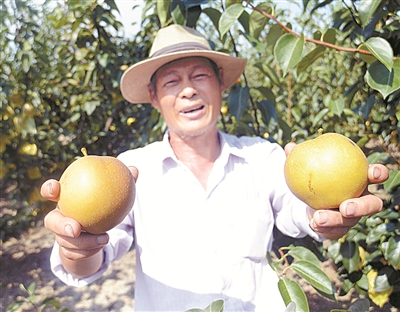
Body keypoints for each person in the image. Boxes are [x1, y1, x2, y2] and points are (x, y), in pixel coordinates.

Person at [41, 25, 389, 311]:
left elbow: (305, 211)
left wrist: (330, 211)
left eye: (200, 76)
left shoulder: (262, 157)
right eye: (172, 82)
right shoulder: (128, 173)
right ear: (153, 96)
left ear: (221, 84)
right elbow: (94, 256)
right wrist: (76, 247)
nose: (188, 91)